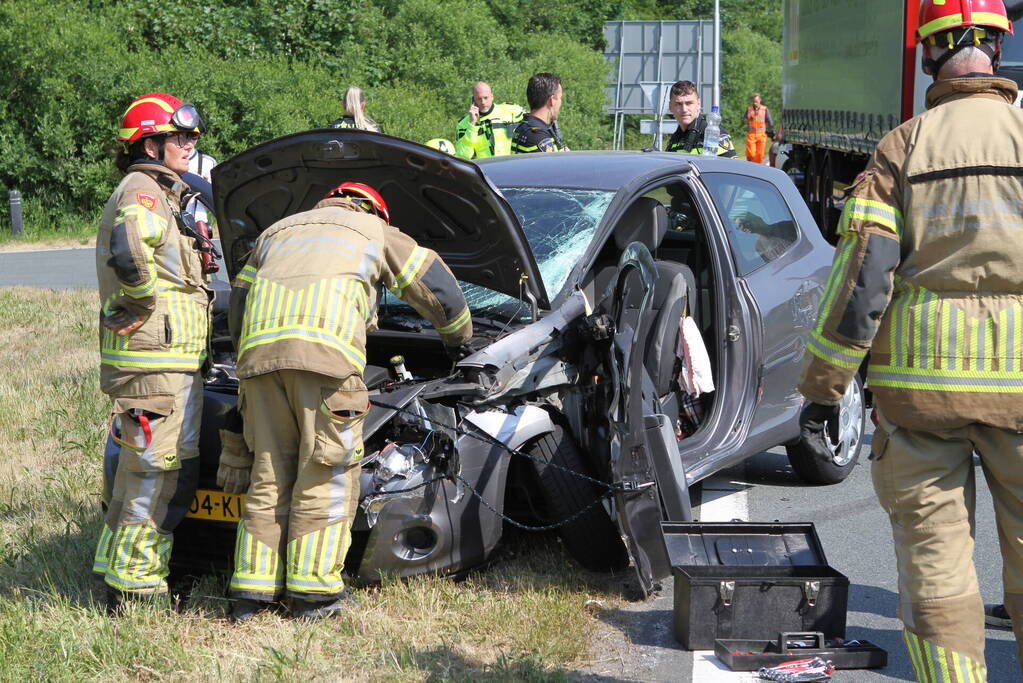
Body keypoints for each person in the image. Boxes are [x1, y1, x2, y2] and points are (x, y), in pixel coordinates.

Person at [797, 1, 1023, 678]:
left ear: (929, 53)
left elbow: (861, 280)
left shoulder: (903, 146)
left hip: (920, 398)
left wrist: (822, 384)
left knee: (936, 569)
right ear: (997, 50)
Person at [221, 182, 473, 621]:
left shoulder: (276, 232)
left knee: (269, 472)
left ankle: (251, 593)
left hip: (258, 364)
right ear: (376, 210)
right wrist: (460, 340)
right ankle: (314, 594)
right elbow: (437, 290)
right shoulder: (372, 230)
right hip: (327, 365)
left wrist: (250, 353)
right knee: (326, 475)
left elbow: (240, 304)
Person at [92, 93, 213, 610]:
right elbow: (129, 251)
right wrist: (143, 303)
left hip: (161, 362)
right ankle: (137, 587)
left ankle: (112, 572)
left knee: (137, 471)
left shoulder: (162, 192)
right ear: (149, 142)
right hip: (157, 362)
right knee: (161, 475)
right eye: (179, 137)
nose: (189, 145)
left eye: (190, 138)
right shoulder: (143, 190)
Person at [664, 80, 735, 157]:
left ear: (698, 104)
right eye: (678, 104)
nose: (684, 109)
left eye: (689, 103)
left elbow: (732, 167)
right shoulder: (675, 138)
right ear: (670, 107)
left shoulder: (713, 133)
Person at [454, 81, 524, 159]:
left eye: (485, 98)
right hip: (483, 169)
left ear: (492, 96)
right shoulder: (463, 124)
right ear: (473, 100)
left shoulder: (511, 111)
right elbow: (463, 156)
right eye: (479, 99)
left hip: (510, 167)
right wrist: (472, 124)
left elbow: (535, 120)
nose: (483, 102)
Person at [512, 73, 568, 153]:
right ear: (552, 100)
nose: (561, 103)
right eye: (560, 98)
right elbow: (551, 165)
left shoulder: (524, 126)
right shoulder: (538, 136)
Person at [743, 93, 774, 164]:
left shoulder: (764, 109)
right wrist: (748, 120)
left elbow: (770, 122)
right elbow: (745, 121)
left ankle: (757, 169)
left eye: (756, 101)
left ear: (760, 100)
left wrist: (769, 131)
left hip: (761, 135)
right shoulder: (749, 109)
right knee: (751, 154)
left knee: (760, 155)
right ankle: (751, 162)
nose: (755, 103)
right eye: (754, 101)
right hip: (751, 135)